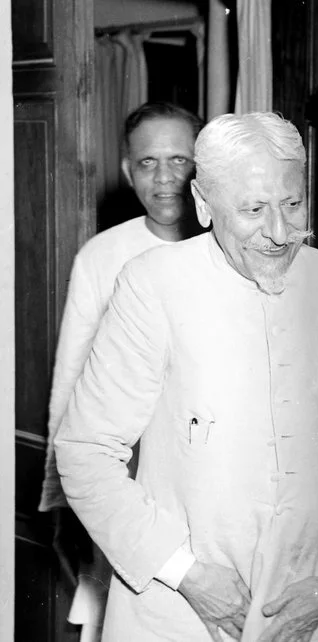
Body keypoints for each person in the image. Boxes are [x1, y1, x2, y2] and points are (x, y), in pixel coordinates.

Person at [55, 112, 318, 641]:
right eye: (253, 210)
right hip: (183, 607)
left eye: (293, 204)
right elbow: (86, 450)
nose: (280, 233)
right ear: (204, 206)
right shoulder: (152, 285)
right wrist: (188, 575)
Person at [38, 101, 204, 642]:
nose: (165, 178)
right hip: (127, 477)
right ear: (128, 170)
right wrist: (60, 491)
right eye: (148, 162)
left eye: (179, 160)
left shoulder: (228, 248)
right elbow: (70, 377)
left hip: (206, 475)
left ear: (203, 166)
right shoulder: (101, 256)